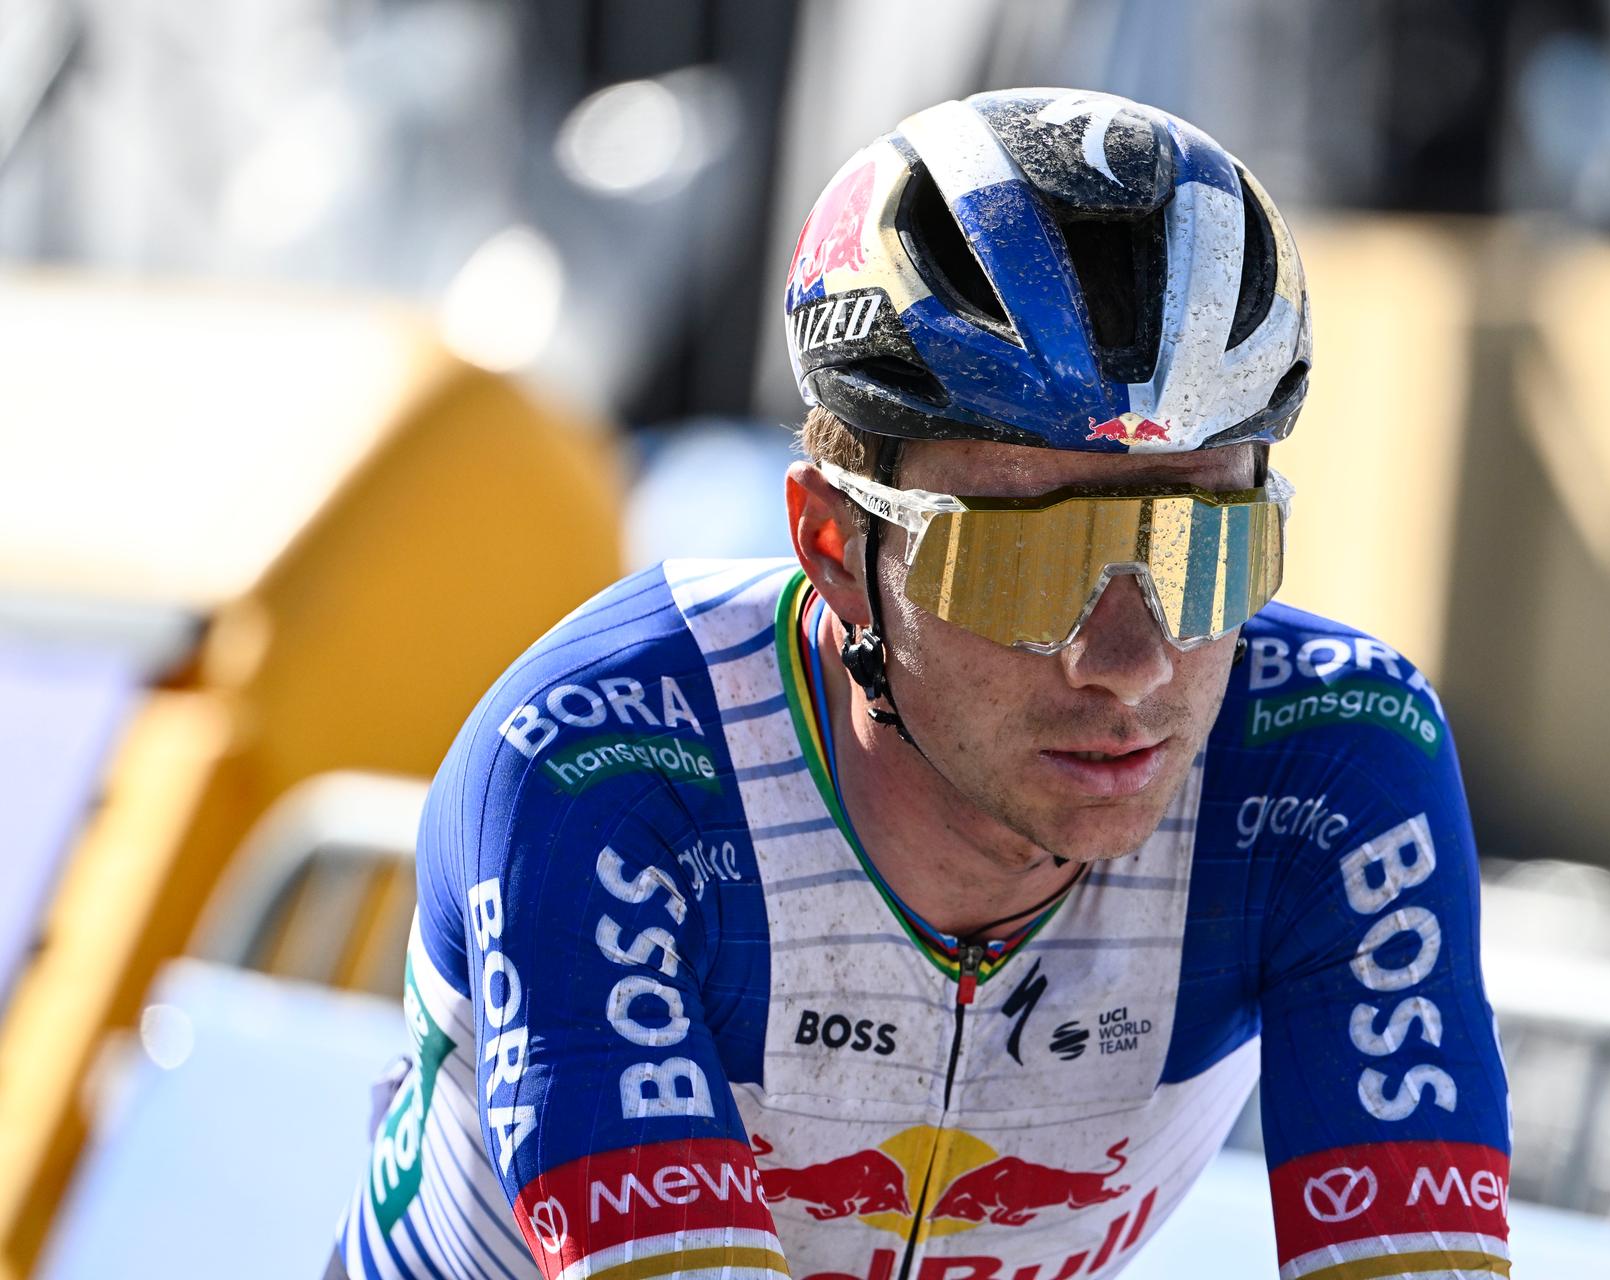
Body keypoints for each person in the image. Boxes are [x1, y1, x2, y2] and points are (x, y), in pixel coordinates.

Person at [329, 88, 1510, 1280]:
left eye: (1201, 550)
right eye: (1024, 561)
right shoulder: (606, 767)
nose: (1131, 661)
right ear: (839, 550)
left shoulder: (1331, 765)